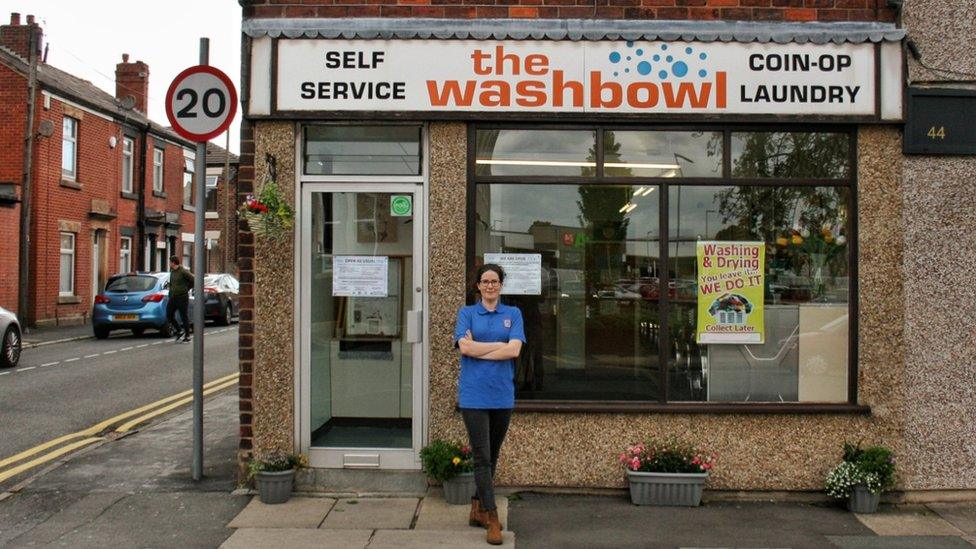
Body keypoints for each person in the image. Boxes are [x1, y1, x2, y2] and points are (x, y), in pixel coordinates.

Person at [454, 264, 524, 545]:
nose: (490, 286)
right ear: (478, 286)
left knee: (492, 454)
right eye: (485, 281)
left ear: (501, 285)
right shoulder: (467, 313)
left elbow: (515, 350)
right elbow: (465, 348)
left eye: (495, 281)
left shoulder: (513, 313)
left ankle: (477, 508)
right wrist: (500, 347)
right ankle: (492, 518)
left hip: (502, 395)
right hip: (473, 396)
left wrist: (479, 348)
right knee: (482, 456)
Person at [166, 256, 193, 343]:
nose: (169, 264)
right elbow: (171, 284)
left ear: (174, 262)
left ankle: (187, 335)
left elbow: (193, 279)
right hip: (173, 296)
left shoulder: (183, 271)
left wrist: (187, 288)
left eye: (170, 262)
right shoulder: (172, 272)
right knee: (169, 314)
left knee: (183, 315)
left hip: (182, 296)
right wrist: (170, 293)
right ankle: (179, 330)